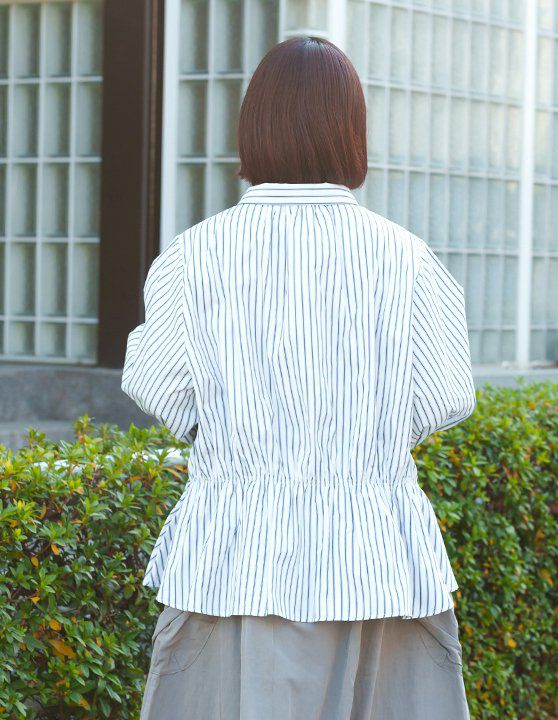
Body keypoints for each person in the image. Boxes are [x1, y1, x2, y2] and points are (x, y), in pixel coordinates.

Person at [122, 35, 476, 720]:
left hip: (232, 557)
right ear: (352, 132)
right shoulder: (406, 259)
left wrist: (233, 431)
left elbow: (157, 384)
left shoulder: (194, 255)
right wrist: (365, 436)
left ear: (253, 127)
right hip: (378, 557)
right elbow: (446, 393)